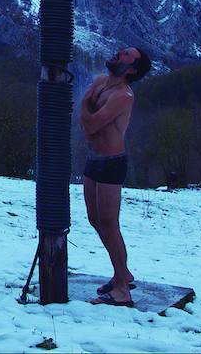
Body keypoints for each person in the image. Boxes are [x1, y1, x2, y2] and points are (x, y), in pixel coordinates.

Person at [79, 46, 151, 307]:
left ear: (132, 69)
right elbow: (88, 121)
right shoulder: (100, 82)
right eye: (121, 51)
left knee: (110, 224)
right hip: (94, 160)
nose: (118, 54)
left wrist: (86, 105)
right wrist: (87, 109)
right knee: (94, 219)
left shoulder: (123, 96)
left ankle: (122, 289)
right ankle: (123, 273)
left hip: (111, 162)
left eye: (126, 56)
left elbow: (90, 125)